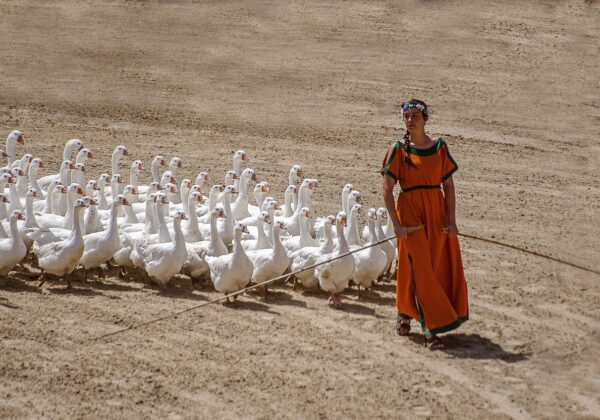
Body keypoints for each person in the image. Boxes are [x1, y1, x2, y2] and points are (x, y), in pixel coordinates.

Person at [381, 99, 468, 350]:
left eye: (416, 115)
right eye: (407, 116)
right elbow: (387, 189)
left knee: (432, 267)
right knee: (419, 269)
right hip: (410, 215)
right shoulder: (397, 149)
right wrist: (396, 224)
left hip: (436, 213)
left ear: (425, 119)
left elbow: (448, 186)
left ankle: (405, 311)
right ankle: (430, 328)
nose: (411, 120)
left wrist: (451, 221)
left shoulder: (439, 148)